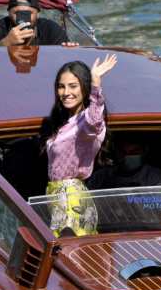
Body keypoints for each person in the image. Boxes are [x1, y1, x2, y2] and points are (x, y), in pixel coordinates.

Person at [42, 54, 117, 236]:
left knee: (68, 250)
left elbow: (95, 119)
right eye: (61, 86)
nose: (66, 92)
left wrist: (96, 82)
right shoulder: (67, 122)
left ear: (85, 88)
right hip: (57, 196)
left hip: (71, 199)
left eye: (73, 86)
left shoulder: (87, 123)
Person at [0, 0, 75, 47]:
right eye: (17, 13)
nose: (23, 18)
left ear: (37, 13)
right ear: (9, 13)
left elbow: (66, 59)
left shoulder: (51, 29)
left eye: (28, 13)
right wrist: (5, 43)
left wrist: (68, 49)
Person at [87, 134, 161, 189]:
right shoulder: (100, 177)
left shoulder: (155, 177)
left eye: (134, 152)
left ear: (144, 151)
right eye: (123, 152)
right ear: (116, 151)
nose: (128, 156)